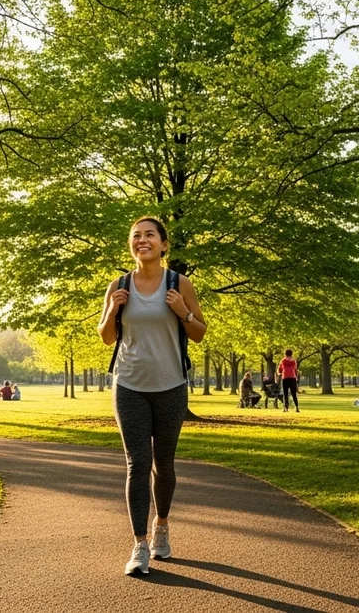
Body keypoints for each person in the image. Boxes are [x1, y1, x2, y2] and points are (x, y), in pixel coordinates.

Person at [99, 216, 206, 576]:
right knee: (137, 463)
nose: (142, 240)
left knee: (165, 464)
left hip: (171, 387)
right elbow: (106, 337)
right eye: (136, 236)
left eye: (149, 235)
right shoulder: (119, 284)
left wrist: (183, 311)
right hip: (129, 385)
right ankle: (139, 544)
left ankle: (162, 525)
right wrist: (114, 309)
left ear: (163, 244)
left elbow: (199, 333)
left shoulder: (180, 283)